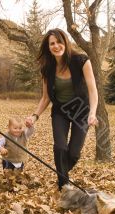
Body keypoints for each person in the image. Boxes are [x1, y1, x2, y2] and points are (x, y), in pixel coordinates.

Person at [26, 28, 99, 191]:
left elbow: (93, 90)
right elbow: (45, 98)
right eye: (52, 43)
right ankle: (63, 186)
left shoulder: (81, 60)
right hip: (60, 112)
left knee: (73, 153)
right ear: (48, 47)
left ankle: (62, 176)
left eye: (59, 42)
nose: (56, 46)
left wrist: (92, 113)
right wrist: (34, 116)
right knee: (60, 147)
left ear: (65, 42)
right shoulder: (47, 68)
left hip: (81, 111)